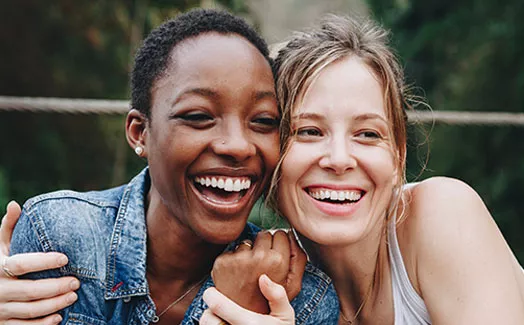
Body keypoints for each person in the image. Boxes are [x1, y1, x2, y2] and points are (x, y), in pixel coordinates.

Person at [0, 9, 339, 324]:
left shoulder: (300, 300)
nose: (237, 145)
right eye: (198, 116)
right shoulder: (60, 240)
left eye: (264, 120)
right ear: (140, 133)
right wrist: (229, 306)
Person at [199, 14, 524, 324]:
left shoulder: (442, 213)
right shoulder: (273, 281)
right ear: (271, 155)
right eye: (309, 131)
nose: (339, 159)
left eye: (368, 134)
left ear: (398, 157)